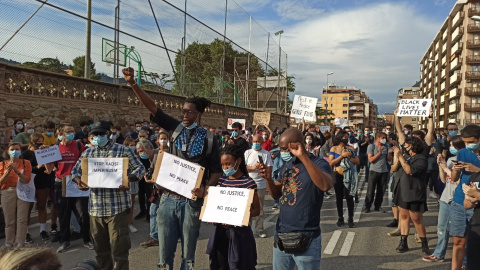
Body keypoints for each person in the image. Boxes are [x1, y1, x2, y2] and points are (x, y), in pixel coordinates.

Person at [122, 67, 222, 270]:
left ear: (199, 113)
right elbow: (153, 108)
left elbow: (217, 171)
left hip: (191, 202)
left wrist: (205, 189)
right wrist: (133, 83)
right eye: (183, 111)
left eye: (189, 111)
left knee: (188, 253)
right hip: (167, 199)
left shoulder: (211, 139)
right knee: (165, 252)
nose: (184, 114)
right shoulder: (175, 128)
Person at [71, 120, 145, 270]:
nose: (97, 137)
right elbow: (75, 172)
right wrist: (80, 181)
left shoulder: (123, 150)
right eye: (95, 134)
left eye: (101, 134)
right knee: (101, 251)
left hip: (117, 208)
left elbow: (140, 168)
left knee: (119, 250)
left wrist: (128, 179)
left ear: (109, 134)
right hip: (96, 209)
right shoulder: (88, 153)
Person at [260, 128, 333, 269]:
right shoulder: (287, 165)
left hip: (307, 236)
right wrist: (268, 178)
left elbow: (325, 185)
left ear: (297, 145)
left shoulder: (319, 163)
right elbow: (276, 194)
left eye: (284, 149)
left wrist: (303, 157)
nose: (282, 153)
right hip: (281, 234)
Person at [206, 144, 260, 269]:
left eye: (228, 164)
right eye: (223, 164)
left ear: (238, 161)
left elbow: (256, 210)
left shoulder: (249, 183)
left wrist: (238, 215)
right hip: (220, 234)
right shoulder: (220, 182)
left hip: (240, 236)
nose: (225, 167)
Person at [423, 135, 465, 263]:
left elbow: (458, 181)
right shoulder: (451, 159)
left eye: (454, 146)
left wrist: (446, 169)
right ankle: (439, 253)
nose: (452, 148)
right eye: (450, 145)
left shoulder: (467, 161)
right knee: (441, 228)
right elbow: (443, 179)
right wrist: (441, 166)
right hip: (446, 198)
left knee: (461, 234)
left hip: (459, 200)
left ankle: (464, 261)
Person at [54, 123, 92, 253]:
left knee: (84, 213)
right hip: (62, 182)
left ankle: (87, 239)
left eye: (72, 130)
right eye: (68, 131)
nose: (72, 133)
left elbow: (85, 161)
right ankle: (65, 240)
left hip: (78, 181)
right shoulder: (55, 148)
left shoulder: (78, 145)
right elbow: (50, 168)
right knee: (64, 214)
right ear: (61, 133)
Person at [391, 137, 430, 254]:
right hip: (402, 190)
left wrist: (401, 157)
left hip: (414, 192)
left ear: (412, 145)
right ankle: (403, 242)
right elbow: (393, 169)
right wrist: (397, 158)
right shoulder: (406, 157)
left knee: (416, 218)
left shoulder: (421, 159)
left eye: (406, 145)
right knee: (403, 216)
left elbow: (409, 171)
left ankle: (424, 243)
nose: (404, 147)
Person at [450, 125, 480, 270]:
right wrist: (455, 170)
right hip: (459, 201)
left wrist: (477, 169)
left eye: (471, 142)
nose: (468, 145)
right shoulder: (462, 152)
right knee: (458, 242)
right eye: (466, 142)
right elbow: (455, 177)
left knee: (474, 244)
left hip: (477, 205)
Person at [0, 142, 32, 247]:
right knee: (9, 219)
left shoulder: (25, 163)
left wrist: (17, 172)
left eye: (17, 149)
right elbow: (1, 182)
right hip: (8, 192)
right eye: (12, 149)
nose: (15, 151)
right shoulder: (2, 164)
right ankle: (9, 242)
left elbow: (26, 180)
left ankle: (20, 242)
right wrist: (7, 172)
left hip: (22, 191)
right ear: (8, 152)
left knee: (21, 218)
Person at [141, 132, 170, 248]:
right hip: (158, 189)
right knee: (153, 211)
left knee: (166, 214)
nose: (163, 141)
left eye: (165, 139)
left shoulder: (173, 152)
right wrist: (149, 176)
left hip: (168, 189)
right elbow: (153, 169)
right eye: (161, 139)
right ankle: (154, 237)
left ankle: (164, 236)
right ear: (157, 140)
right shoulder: (156, 153)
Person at [22, 133, 51, 242]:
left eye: (41, 141)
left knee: (41, 206)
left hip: (42, 182)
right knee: (28, 209)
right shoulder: (26, 154)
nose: (40, 143)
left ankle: (43, 230)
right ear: (32, 142)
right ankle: (26, 233)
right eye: (37, 141)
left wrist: (48, 152)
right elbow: (23, 169)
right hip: (29, 183)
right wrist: (36, 167)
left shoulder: (44, 151)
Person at [329, 131, 360, 228]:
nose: (346, 139)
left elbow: (357, 161)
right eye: (345, 137)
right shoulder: (333, 148)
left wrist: (349, 156)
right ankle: (340, 218)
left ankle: (350, 218)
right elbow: (331, 162)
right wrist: (341, 156)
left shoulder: (350, 149)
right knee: (339, 197)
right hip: (337, 174)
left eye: (347, 137)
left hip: (348, 175)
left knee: (349, 197)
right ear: (340, 137)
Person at [245, 134, 273, 238]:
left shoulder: (266, 154)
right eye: (254, 142)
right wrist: (253, 167)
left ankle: (259, 229)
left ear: (262, 142)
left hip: (260, 185)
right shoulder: (247, 153)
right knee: (248, 207)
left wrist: (263, 168)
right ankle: (247, 228)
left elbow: (269, 168)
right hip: (248, 184)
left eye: (258, 142)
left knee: (260, 208)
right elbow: (243, 168)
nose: (256, 144)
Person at [363, 132, 390, 213]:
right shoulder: (371, 146)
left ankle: (378, 206)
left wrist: (389, 153)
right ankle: (367, 206)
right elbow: (370, 159)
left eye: (385, 137)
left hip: (384, 171)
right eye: (383, 137)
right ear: (378, 138)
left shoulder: (386, 146)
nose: (384, 139)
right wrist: (379, 153)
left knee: (381, 190)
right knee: (371, 189)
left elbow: (389, 160)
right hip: (374, 171)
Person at [462, 171, 480, 270]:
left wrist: (478, 195)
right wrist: (470, 199)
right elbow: (467, 205)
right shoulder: (475, 177)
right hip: (475, 229)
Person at [122, 138, 140, 233]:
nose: (132, 147)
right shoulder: (121, 155)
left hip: (133, 181)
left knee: (131, 204)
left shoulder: (136, 156)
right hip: (124, 181)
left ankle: (129, 223)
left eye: (133, 145)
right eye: (130, 145)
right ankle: (123, 223)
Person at [135, 139, 155, 222]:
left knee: (149, 193)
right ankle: (143, 210)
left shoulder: (153, 157)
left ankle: (149, 213)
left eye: (142, 151)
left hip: (149, 177)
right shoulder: (140, 158)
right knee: (141, 193)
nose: (141, 153)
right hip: (141, 176)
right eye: (139, 152)